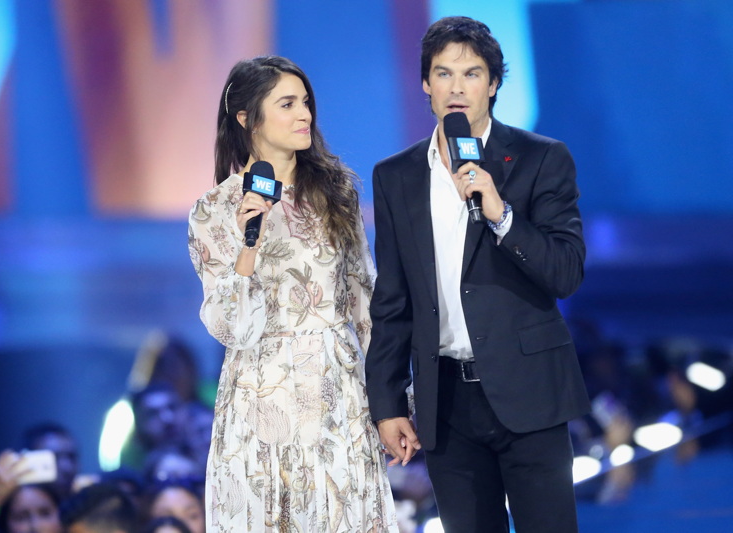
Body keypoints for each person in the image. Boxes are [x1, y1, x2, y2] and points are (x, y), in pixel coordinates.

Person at [365, 16, 591, 532]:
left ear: (493, 84)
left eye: (471, 74)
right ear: (426, 84)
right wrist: (388, 404)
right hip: (446, 404)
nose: (456, 88)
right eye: (443, 74)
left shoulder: (540, 158)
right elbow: (392, 299)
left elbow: (565, 272)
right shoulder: (395, 176)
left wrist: (501, 215)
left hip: (530, 393)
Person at [188, 55, 396, 531]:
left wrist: (391, 402)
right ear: (247, 119)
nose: (305, 114)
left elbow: (365, 302)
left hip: (337, 391)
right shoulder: (213, 209)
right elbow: (228, 327)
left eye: (305, 102)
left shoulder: (336, 193)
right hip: (260, 395)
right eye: (287, 104)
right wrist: (249, 245)